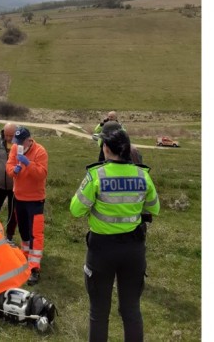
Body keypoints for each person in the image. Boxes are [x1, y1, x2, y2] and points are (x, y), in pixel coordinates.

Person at [70, 121, 160, 342]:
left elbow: (75, 209)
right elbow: (154, 208)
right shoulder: (142, 176)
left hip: (102, 250)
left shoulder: (96, 176)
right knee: (131, 311)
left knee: (99, 313)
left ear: (106, 149)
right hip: (133, 250)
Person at [5, 126, 48, 285]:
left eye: (21, 142)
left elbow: (41, 174)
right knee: (23, 229)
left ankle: (34, 267)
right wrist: (13, 171)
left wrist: (28, 164)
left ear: (29, 139)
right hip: (19, 197)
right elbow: (9, 166)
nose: (18, 145)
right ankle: (25, 258)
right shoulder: (15, 148)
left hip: (35, 199)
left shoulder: (40, 152)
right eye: (16, 142)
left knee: (35, 233)